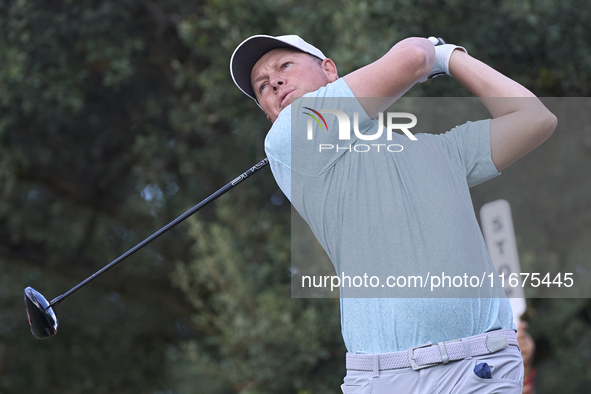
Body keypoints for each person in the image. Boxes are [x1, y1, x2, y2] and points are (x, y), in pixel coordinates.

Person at [230, 34, 556, 393]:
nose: (273, 82)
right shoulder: (287, 138)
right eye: (262, 86)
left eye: (284, 66)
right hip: (383, 378)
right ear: (268, 113)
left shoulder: (442, 150)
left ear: (329, 70)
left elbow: (536, 118)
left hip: (481, 368)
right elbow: (413, 57)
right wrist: (434, 53)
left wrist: (451, 57)